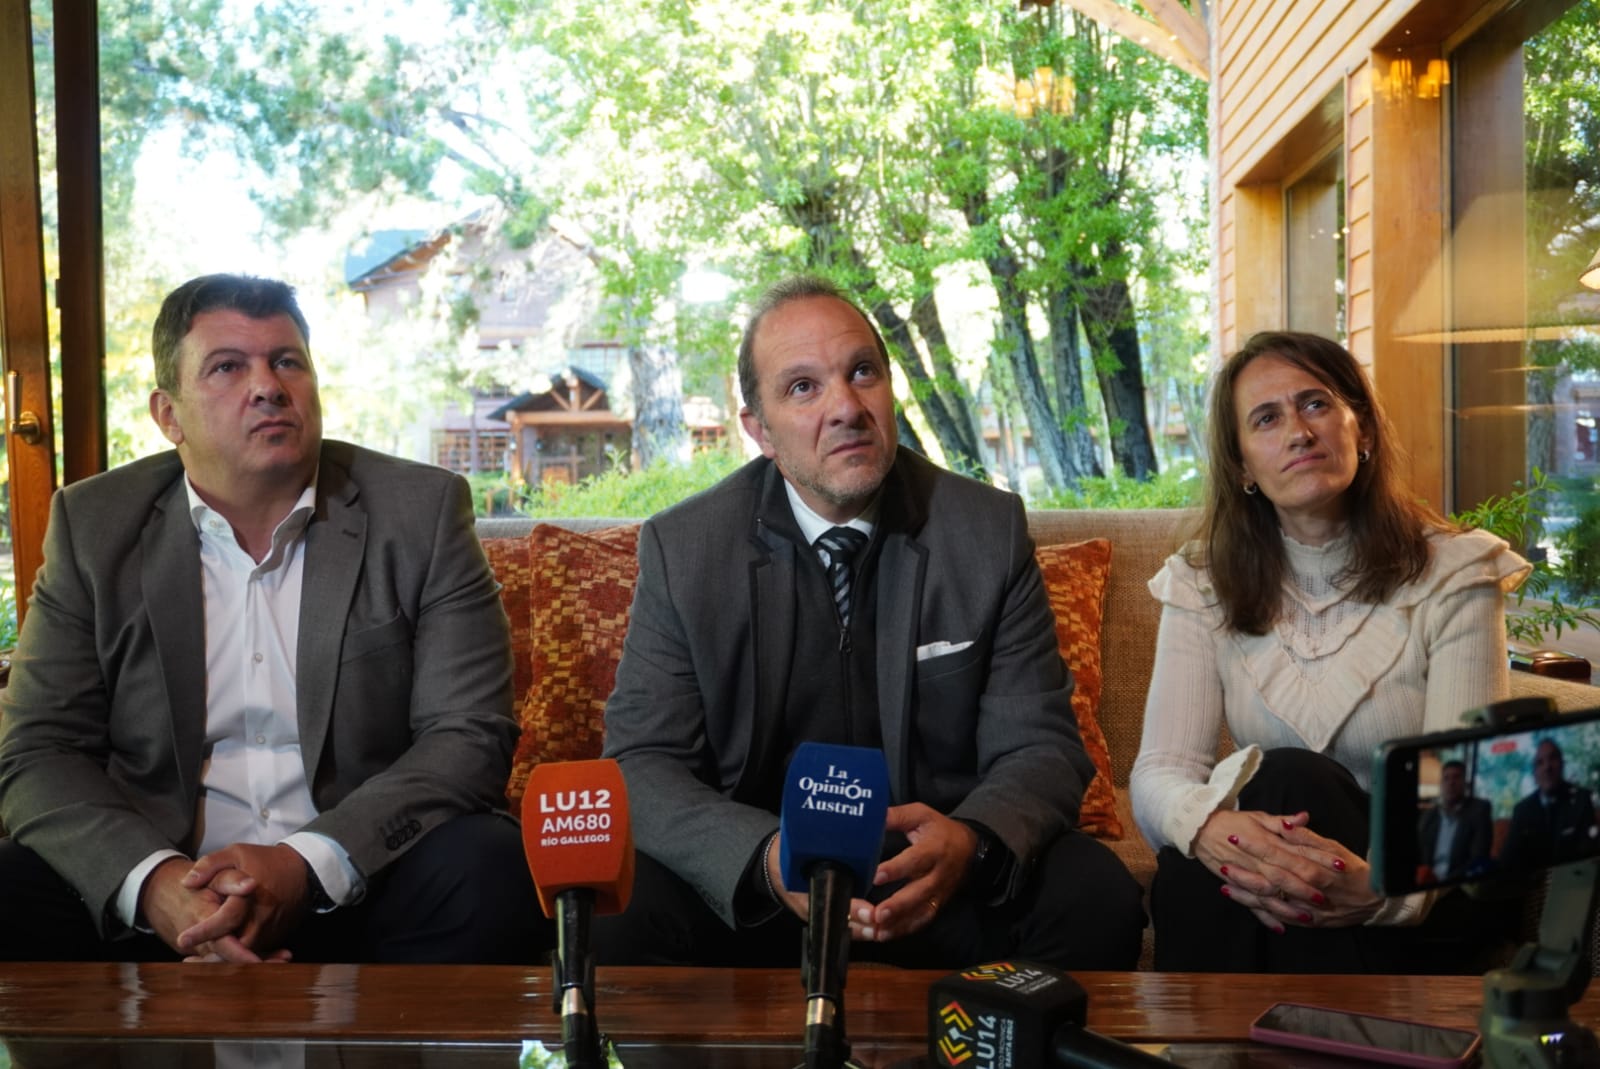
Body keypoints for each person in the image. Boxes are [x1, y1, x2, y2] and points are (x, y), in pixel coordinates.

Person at [594, 275, 1144, 970]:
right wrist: (761, 858)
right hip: (761, 889)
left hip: (937, 876)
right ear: (758, 431)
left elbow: (1041, 745)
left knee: (1094, 894)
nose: (846, 408)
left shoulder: (987, 531)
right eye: (803, 387)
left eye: (862, 373)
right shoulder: (685, 549)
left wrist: (971, 841)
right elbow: (642, 762)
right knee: (621, 911)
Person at [0, 273, 543, 964]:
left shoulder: (421, 511)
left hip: (360, 880)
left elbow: (468, 735)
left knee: (491, 868)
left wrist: (304, 864)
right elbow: (40, 749)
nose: (267, 386)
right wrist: (157, 885)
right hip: (161, 893)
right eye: (227, 367)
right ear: (168, 414)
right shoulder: (94, 525)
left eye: (287, 361)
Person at [1131, 330, 1529, 973]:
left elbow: (1468, 796)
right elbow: (1161, 770)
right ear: (1242, 466)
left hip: (1424, 890)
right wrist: (1209, 830)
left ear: (1361, 428)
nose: (1298, 432)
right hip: (1285, 891)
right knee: (1198, 857)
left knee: (1286, 778)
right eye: (1266, 418)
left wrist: (1383, 893)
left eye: (1315, 404)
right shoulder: (1203, 581)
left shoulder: (1457, 572)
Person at [1498, 740, 1598, 870]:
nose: (1547, 767)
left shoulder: (1582, 799)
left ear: (1562, 764)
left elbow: (1590, 853)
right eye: (1540, 763)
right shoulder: (1522, 810)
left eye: (1553, 758)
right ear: (1534, 774)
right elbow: (1506, 861)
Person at [1416, 760, 1494, 883]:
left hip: (1459, 882)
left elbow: (1478, 858)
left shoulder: (1479, 810)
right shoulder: (1429, 816)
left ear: (1465, 783)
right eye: (1446, 778)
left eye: (1456, 777)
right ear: (1441, 785)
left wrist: (1445, 882)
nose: (1451, 783)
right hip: (1427, 881)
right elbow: (1418, 853)